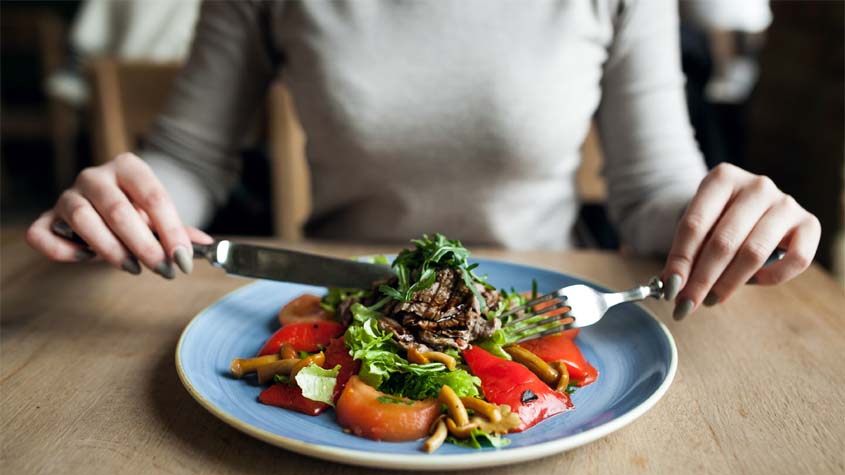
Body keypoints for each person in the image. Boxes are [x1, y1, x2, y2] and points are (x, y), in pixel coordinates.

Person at [26, 0, 820, 322]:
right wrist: (129, 202)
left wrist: (724, 219)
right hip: (337, 306)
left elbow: (652, 192)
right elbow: (190, 157)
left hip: (540, 314)